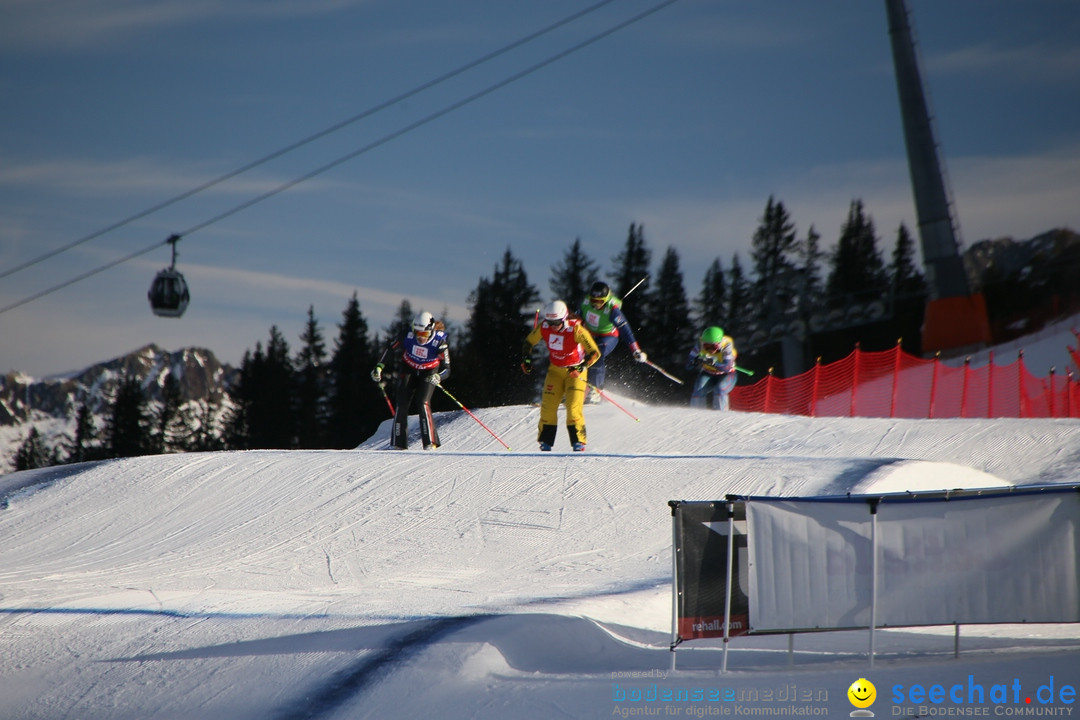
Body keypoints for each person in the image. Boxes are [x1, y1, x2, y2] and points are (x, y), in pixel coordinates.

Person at [521, 300, 601, 451]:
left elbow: (595, 353)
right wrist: (526, 359)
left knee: (573, 407)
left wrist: (581, 366)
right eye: (550, 321)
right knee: (548, 407)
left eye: (556, 322)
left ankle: (578, 441)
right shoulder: (544, 327)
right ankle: (545, 442)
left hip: (575, 372)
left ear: (564, 318)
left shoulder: (576, 330)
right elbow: (529, 342)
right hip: (555, 371)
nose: (553, 325)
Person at [371, 311, 450, 450]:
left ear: (430, 331)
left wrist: (439, 376)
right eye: (417, 333)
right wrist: (379, 366)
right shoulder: (406, 335)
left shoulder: (439, 343)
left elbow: (447, 369)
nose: (420, 338)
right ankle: (398, 444)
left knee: (423, 402)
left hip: (429, 371)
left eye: (424, 334)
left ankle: (430, 443)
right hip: (408, 368)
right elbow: (390, 349)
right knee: (401, 404)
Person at [578, 281, 647, 404]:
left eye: (599, 302)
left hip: (608, 337)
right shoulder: (586, 303)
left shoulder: (612, 309)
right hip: (590, 335)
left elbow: (625, 330)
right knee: (575, 355)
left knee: (597, 353)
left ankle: (595, 390)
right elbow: (577, 318)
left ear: (606, 299)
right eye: (593, 300)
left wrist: (635, 349)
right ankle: (574, 388)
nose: (595, 304)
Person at [686, 326, 737, 410]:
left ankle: (721, 414)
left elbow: (726, 367)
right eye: (707, 346)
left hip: (727, 374)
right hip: (708, 373)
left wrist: (713, 363)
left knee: (720, 389)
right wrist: (696, 361)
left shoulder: (727, 346)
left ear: (719, 343)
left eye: (714, 347)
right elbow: (688, 366)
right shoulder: (699, 345)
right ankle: (696, 414)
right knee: (698, 390)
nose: (710, 350)